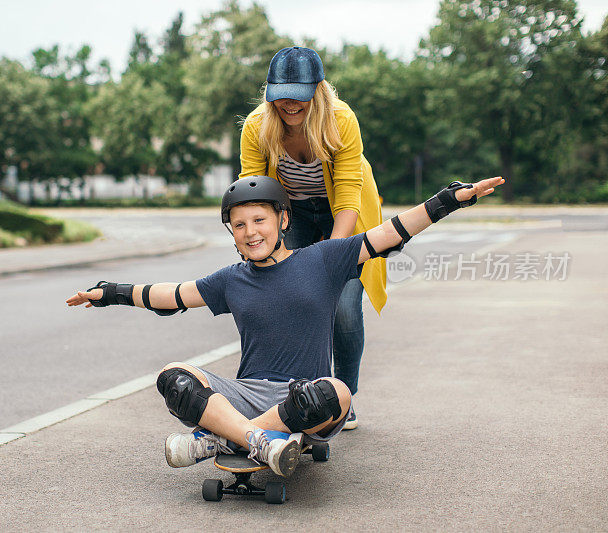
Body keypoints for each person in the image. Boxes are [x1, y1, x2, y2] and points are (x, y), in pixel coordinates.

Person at [66, 175, 504, 478]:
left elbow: (390, 233)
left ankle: (224, 438)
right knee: (174, 377)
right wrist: (112, 291)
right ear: (232, 234)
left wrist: (450, 200)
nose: (250, 232)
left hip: (303, 393)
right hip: (249, 390)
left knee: (338, 393)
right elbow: (170, 296)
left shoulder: (323, 259)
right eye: (239, 225)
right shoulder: (230, 280)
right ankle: (256, 439)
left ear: (283, 220)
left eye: (259, 220)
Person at [239, 46, 385, 429]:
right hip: (294, 214)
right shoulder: (257, 125)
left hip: (345, 211)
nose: (289, 104)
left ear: (317, 89)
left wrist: (335, 255)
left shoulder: (340, 119)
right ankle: (294, 395)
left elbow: (350, 187)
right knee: (296, 302)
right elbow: (251, 188)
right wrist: (252, 237)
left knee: (343, 309)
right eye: (280, 93)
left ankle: (341, 400)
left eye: (298, 94)